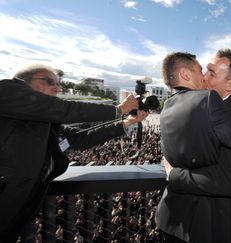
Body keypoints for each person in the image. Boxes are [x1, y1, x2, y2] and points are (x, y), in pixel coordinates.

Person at [0, 64, 147, 242]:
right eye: (49, 81)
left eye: (58, 83)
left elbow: (78, 139)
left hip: (18, 206)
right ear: (23, 82)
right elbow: (63, 109)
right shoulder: (6, 91)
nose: (58, 88)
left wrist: (127, 122)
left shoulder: (47, 122)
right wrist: (117, 109)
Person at [155, 52, 231, 243]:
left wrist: (173, 173)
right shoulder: (204, 105)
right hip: (207, 221)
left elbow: (224, 178)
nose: (204, 77)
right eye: (204, 71)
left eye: (211, 73)